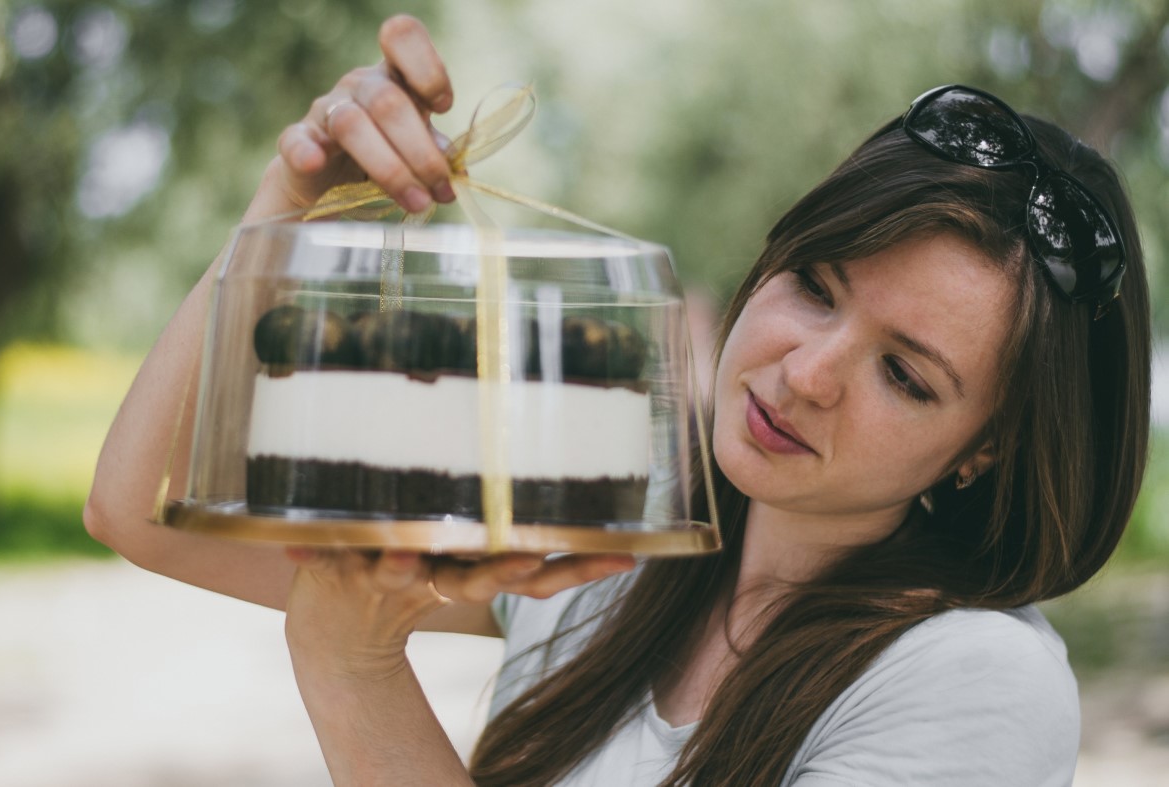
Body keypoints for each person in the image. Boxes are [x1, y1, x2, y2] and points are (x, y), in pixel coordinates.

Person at [85, 14, 1151, 787]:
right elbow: (146, 505)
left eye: (906, 375)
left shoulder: (973, 683)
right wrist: (291, 212)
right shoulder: (612, 548)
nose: (804, 372)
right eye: (815, 288)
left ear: (983, 450)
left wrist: (351, 664)